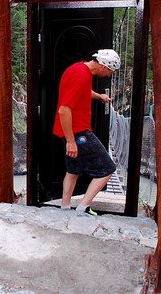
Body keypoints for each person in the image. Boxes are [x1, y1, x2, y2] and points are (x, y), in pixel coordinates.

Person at [53, 49, 120, 215]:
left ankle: (65, 209)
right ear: (104, 66)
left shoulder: (79, 68)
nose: (109, 75)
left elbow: (82, 91)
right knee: (107, 169)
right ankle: (82, 209)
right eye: (111, 71)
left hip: (69, 131)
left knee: (73, 170)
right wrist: (71, 141)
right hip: (78, 133)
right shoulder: (82, 76)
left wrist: (99, 96)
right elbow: (64, 110)